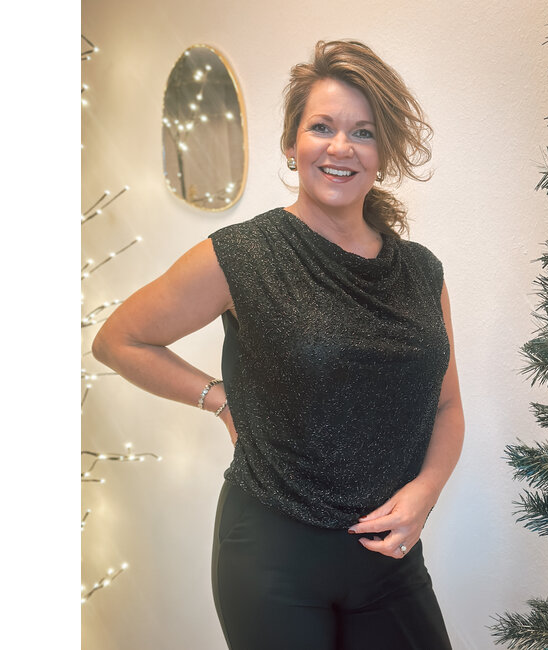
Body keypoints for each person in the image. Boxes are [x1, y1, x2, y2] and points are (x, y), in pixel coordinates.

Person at [92, 39, 464, 650]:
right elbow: (119, 340)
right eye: (322, 127)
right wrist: (220, 400)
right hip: (271, 559)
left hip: (390, 560)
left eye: (363, 132)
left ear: (383, 152)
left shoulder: (423, 272)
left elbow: (447, 407)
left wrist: (426, 491)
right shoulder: (243, 254)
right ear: (292, 143)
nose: (341, 147)